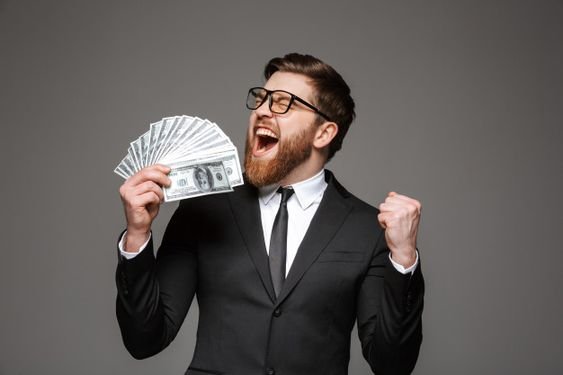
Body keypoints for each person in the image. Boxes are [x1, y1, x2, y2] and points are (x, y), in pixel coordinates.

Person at [116, 53, 424, 375]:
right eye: (261, 99)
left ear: (324, 133)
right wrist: (137, 237)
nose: (262, 110)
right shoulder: (204, 208)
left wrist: (403, 259)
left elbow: (392, 365)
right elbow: (144, 340)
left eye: (283, 103)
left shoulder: (367, 229)